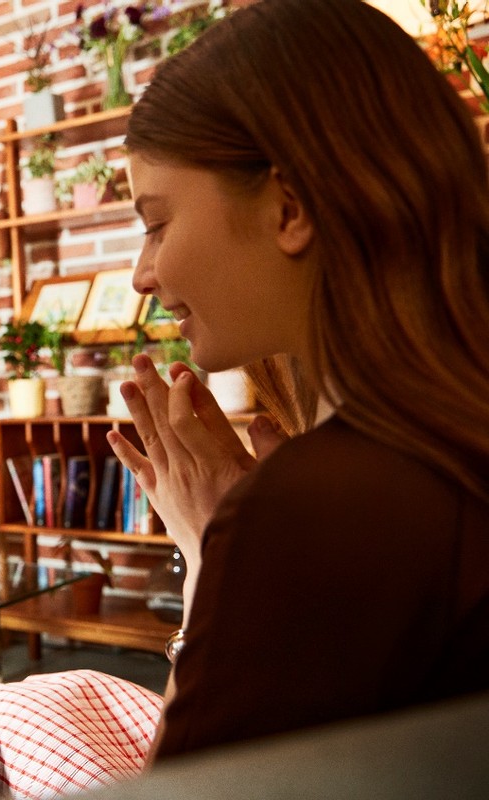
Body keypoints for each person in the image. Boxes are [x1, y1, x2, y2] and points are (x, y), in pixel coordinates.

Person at [106, 0, 489, 763]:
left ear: (291, 205)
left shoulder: (324, 509)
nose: (144, 275)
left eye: (156, 223)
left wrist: (217, 563)